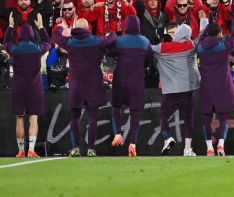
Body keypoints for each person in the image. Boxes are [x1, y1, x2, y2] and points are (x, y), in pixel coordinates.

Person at [53, 18, 117, 157]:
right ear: (88, 28)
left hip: (76, 86)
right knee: (92, 118)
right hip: (93, 85)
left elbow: (56, 37)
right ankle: (91, 149)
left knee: (75, 117)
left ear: (76, 27)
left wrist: (60, 27)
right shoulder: (96, 40)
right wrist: (110, 32)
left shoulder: (70, 42)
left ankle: (75, 148)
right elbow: (113, 38)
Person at [3, 14, 50, 158]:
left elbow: (5, 42)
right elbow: (48, 42)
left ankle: (20, 151)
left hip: (18, 87)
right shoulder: (37, 48)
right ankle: (31, 149)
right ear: (32, 35)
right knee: (33, 118)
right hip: (34, 87)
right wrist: (41, 27)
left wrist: (10, 26)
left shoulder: (15, 48)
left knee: (19, 119)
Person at [198, 11, 234, 156]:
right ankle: (221, 146)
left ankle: (209, 148)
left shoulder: (199, 47)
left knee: (206, 118)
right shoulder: (224, 46)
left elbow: (202, 36)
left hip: (206, 87)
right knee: (223, 117)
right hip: (222, 86)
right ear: (219, 34)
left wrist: (210, 23)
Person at [152, 23, 201, 156]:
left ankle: (167, 138)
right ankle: (188, 149)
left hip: (171, 90)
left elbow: (146, 49)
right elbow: (201, 38)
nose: (173, 35)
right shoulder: (191, 44)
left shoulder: (162, 47)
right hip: (189, 89)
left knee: (163, 117)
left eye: (175, 32)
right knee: (188, 119)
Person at [108, 15, 152, 157]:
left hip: (120, 79)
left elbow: (109, 52)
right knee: (135, 114)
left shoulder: (119, 41)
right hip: (137, 81)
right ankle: (132, 144)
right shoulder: (145, 41)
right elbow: (149, 59)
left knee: (116, 107)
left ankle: (117, 134)